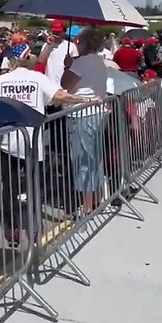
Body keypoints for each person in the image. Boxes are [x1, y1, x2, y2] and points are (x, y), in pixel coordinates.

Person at [0, 43, 94, 244]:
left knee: (10, 187)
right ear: (29, 60)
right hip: (32, 140)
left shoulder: (2, 80)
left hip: (7, 141)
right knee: (34, 185)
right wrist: (83, 99)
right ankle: (35, 229)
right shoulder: (37, 78)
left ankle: (13, 228)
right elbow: (60, 96)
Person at [60, 27, 110, 217]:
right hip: (96, 112)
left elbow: (65, 85)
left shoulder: (81, 63)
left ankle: (87, 206)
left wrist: (67, 66)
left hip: (83, 114)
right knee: (93, 158)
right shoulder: (98, 60)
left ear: (83, 43)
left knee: (82, 161)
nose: (75, 44)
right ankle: (95, 199)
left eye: (78, 41)